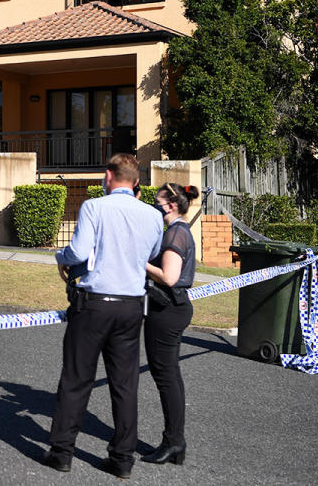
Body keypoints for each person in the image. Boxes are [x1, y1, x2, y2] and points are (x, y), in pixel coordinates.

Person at [43, 153, 163, 479]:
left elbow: (79, 252)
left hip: (95, 302)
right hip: (131, 305)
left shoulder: (94, 207)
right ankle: (123, 458)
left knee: (77, 378)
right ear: (136, 182)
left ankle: (62, 451)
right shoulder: (152, 215)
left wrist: (60, 256)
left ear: (108, 176)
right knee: (124, 384)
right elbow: (152, 254)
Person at [141, 183, 200, 466]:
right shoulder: (180, 230)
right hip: (172, 308)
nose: (155, 205)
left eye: (158, 201)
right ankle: (175, 441)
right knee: (169, 377)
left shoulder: (176, 232)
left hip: (167, 309)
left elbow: (169, 276)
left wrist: (139, 262)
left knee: (165, 378)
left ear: (172, 205)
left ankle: (174, 441)